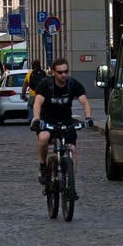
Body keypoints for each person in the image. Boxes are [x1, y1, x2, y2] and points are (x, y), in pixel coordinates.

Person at [30, 56, 92, 189]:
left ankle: (71, 183)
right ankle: (43, 165)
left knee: (72, 149)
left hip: (66, 120)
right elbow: (38, 102)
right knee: (43, 137)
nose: (63, 74)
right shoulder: (46, 85)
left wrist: (88, 118)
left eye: (66, 71)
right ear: (53, 72)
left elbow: (84, 101)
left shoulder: (73, 84)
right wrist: (36, 119)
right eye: (60, 72)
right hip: (47, 119)